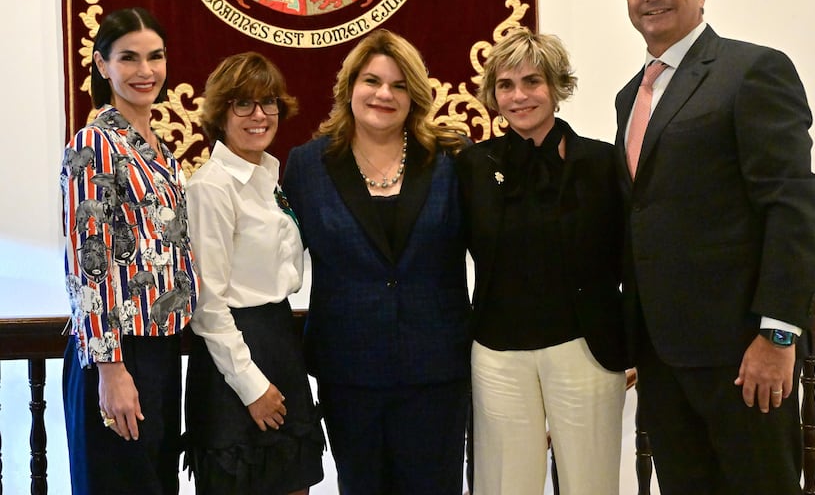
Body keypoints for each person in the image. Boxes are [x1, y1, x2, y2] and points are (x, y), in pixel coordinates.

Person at [615, 0, 815, 494]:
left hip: (743, 353)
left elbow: (793, 207)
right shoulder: (631, 95)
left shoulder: (751, 70)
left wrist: (778, 336)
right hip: (662, 358)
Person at [282, 29, 471, 495]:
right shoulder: (307, 165)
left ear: (416, 96)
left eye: (399, 84)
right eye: (372, 81)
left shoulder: (451, 159)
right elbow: (275, 260)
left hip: (437, 371)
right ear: (349, 88)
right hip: (349, 371)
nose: (384, 94)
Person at [456, 27, 628, 494]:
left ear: (556, 88)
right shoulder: (471, 167)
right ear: (492, 94)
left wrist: (639, 343)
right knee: (504, 484)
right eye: (506, 86)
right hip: (497, 352)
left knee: (589, 483)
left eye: (532, 82)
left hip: (585, 347)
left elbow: (632, 259)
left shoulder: (603, 162)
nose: (519, 96)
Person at [61, 7, 200, 494]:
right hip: (117, 353)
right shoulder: (94, 144)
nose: (146, 71)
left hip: (159, 349)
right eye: (129, 58)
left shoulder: (158, 150)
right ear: (102, 65)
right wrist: (111, 368)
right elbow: (88, 260)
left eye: (155, 57)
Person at [183, 52, 324, 494]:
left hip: (280, 339)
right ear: (220, 113)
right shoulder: (212, 186)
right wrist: (251, 386)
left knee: (294, 483)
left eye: (268, 103)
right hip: (235, 359)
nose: (258, 115)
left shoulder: (269, 178)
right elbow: (208, 305)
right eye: (242, 104)